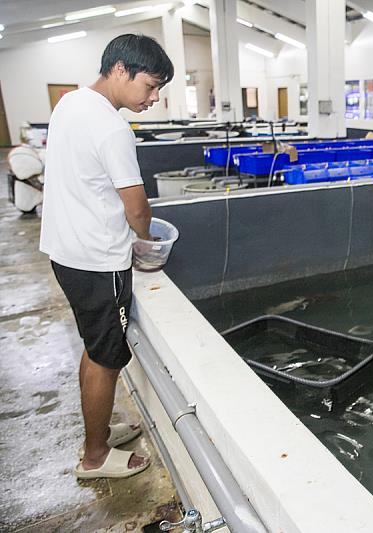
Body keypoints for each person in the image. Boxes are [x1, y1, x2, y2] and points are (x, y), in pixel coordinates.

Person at [39, 34, 173, 479]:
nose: (153, 98)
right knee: (107, 358)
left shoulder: (70, 104)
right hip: (98, 260)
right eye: (150, 86)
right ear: (120, 69)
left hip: (65, 250)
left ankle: (97, 431)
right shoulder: (114, 128)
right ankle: (94, 457)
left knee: (94, 348)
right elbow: (136, 207)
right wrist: (147, 240)